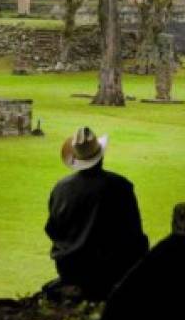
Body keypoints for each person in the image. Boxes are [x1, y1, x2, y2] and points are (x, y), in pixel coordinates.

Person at [44, 127, 149, 300]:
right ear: (101, 155)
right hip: (107, 270)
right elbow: (134, 234)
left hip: (69, 268)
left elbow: (53, 230)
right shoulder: (120, 186)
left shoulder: (60, 188)